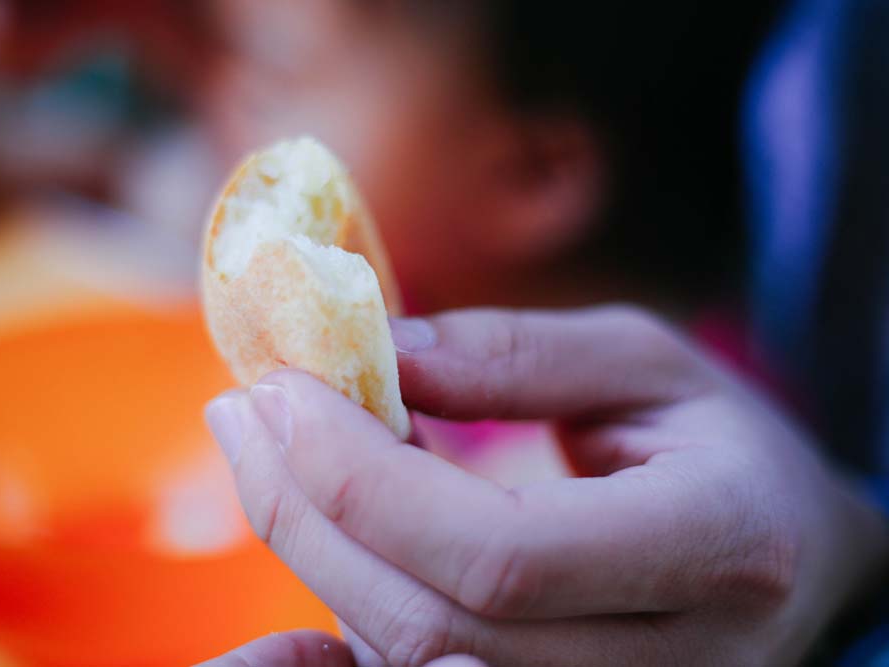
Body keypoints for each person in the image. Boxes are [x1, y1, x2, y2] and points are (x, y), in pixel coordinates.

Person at [199, 1, 889, 665]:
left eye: (286, 73)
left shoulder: (663, 472)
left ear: (531, 173)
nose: (232, 90)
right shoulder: (409, 284)